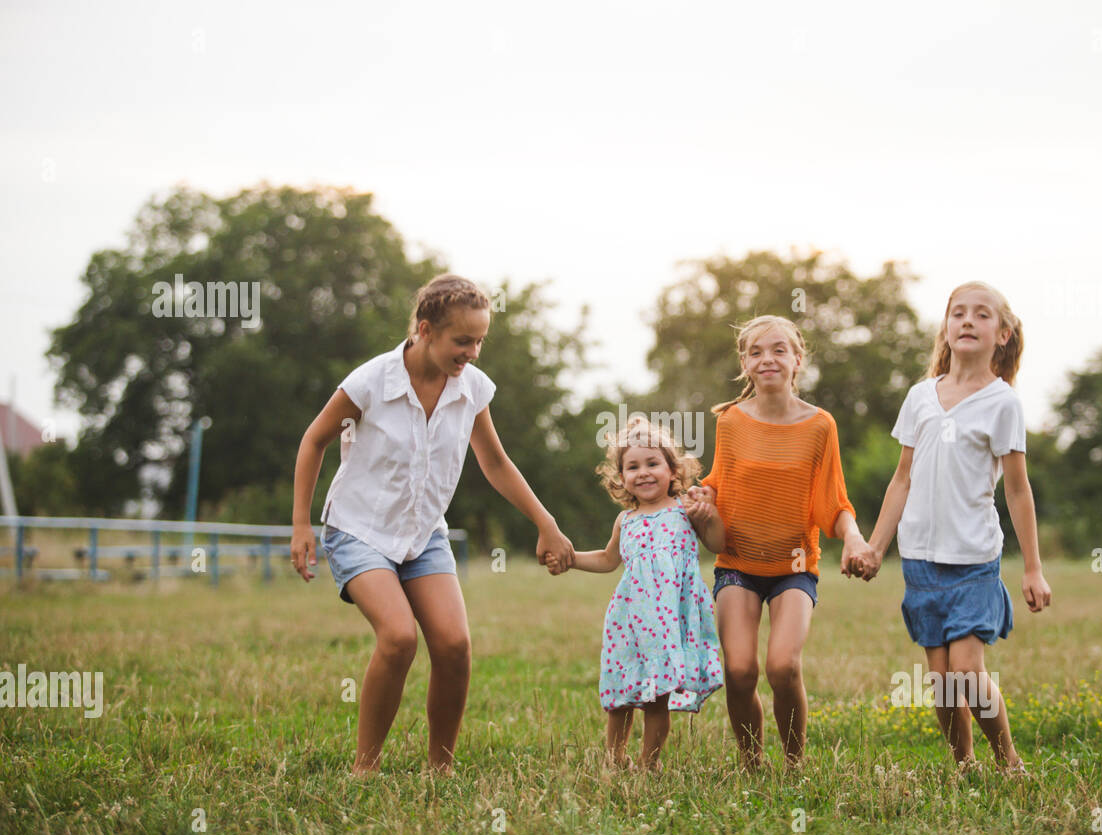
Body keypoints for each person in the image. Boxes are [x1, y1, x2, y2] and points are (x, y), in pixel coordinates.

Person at [290, 274, 575, 775]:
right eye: (462, 341)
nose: (473, 352)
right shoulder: (370, 382)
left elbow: (495, 463)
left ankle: (440, 767)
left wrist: (545, 522)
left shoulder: (472, 390)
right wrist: (300, 524)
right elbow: (313, 440)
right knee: (399, 638)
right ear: (425, 330)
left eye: (480, 340)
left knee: (454, 645)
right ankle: (365, 768)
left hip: (423, 535)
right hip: (359, 529)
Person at [860, 280, 1051, 774]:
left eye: (982, 315)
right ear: (946, 328)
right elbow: (901, 479)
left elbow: (1017, 490)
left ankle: (1008, 760)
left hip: (973, 561)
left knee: (967, 674)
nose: (968, 320)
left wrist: (1033, 568)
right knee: (942, 685)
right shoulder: (921, 397)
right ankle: (964, 764)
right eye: (958, 313)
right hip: (921, 561)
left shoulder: (1002, 403)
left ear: (1003, 334)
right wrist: (876, 547)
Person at [685, 315, 871, 769]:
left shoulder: (820, 425)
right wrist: (702, 497)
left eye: (778, 349)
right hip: (738, 565)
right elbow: (720, 484)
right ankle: (752, 762)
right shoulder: (729, 422)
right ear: (744, 365)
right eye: (755, 352)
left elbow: (833, 501)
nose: (767, 358)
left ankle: (793, 763)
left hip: (794, 568)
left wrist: (854, 538)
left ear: (797, 359)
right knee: (740, 670)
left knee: (782, 666)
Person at [546, 415, 723, 770]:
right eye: (632, 466)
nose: (642, 472)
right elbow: (608, 559)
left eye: (652, 463)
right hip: (630, 622)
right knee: (621, 697)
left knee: (657, 698)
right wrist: (570, 559)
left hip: (670, 622)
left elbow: (718, 543)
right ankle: (615, 759)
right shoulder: (625, 520)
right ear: (621, 477)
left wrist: (710, 515)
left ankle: (648, 763)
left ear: (672, 470)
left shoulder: (684, 509)